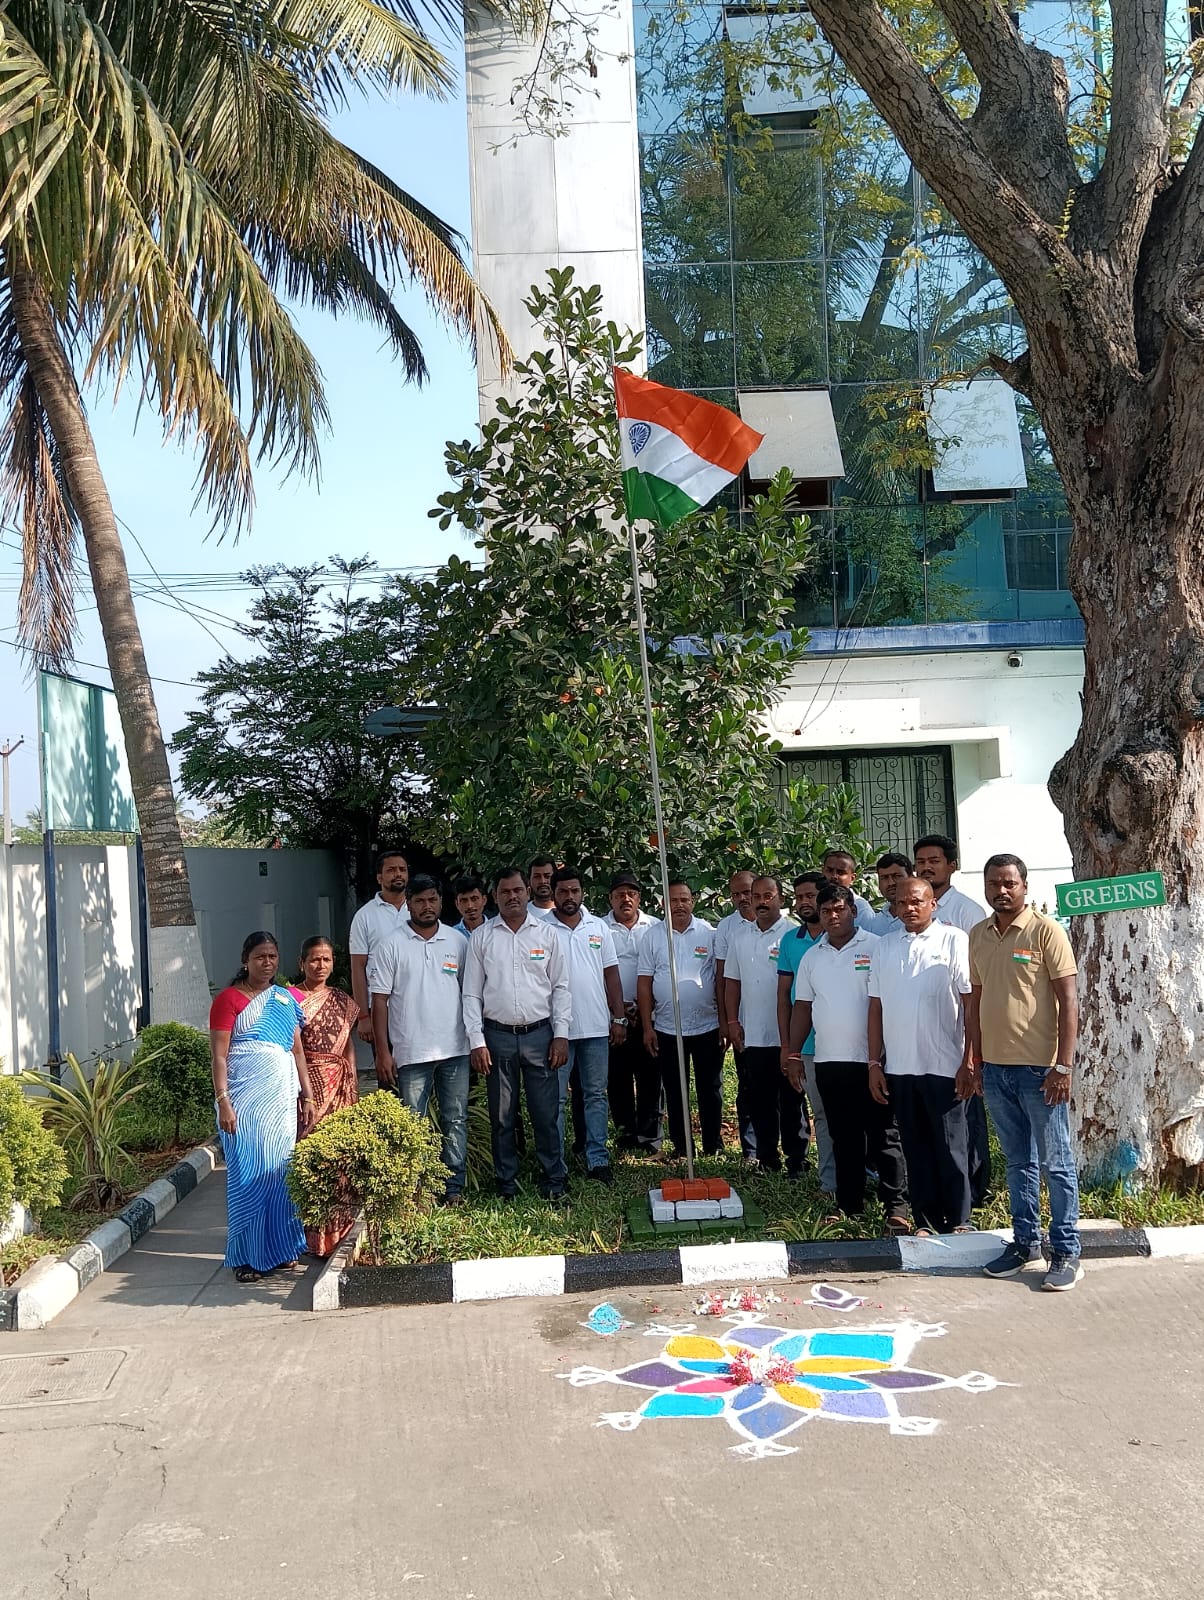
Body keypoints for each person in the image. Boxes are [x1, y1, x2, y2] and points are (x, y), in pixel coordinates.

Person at [969, 853, 1083, 1291]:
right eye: (993, 883)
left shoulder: (1045, 931)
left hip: (1041, 1071)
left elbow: (1069, 1001)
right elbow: (975, 1002)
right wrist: (976, 1060)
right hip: (997, 1070)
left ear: (1024, 886)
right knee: (1019, 1163)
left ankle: (1067, 1250)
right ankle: (1025, 1244)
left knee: (1056, 1163)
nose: (1001, 890)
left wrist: (1063, 1065)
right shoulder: (978, 935)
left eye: (1009, 883)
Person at [788, 886, 908, 1229]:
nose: (832, 916)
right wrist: (793, 1053)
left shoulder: (878, 947)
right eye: (826, 911)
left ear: (853, 911)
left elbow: (890, 1002)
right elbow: (802, 1007)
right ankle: (849, 1204)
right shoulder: (813, 956)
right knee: (843, 1137)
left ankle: (896, 1207)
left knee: (884, 1136)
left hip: (874, 1062)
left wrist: (879, 1058)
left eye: (839, 909)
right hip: (829, 1062)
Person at [867, 878, 976, 1236]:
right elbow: (875, 1007)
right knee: (915, 1147)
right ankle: (926, 1221)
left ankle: (960, 1219)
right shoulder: (884, 947)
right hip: (900, 1067)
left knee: (951, 1147)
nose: (909, 908)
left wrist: (970, 1060)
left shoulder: (953, 940)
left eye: (916, 901)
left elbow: (970, 1003)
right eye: (902, 903)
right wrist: (874, 1063)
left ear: (932, 904)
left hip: (945, 1065)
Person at [462, 867, 572, 1201]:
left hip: (541, 1035)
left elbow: (561, 988)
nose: (512, 897)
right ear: (494, 897)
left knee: (546, 1114)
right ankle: (506, 1182)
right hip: (497, 1038)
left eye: (517, 890)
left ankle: (554, 1178)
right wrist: (477, 1041)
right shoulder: (482, 937)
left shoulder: (547, 934)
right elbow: (471, 994)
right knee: (502, 1115)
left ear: (528, 892)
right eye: (505, 892)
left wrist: (561, 1034)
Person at [210, 931, 311, 1283]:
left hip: (280, 1100)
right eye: (260, 957)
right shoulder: (228, 999)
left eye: (272, 956)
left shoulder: (285, 998)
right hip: (243, 1101)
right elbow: (219, 1056)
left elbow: (296, 1051)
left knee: (280, 1173)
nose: (267, 963)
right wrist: (223, 1101)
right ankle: (248, 1256)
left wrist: (308, 1095)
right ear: (245, 960)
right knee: (248, 1174)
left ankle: (281, 1248)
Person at [369, 875, 471, 1206]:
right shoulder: (390, 945)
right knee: (414, 1123)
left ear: (441, 901)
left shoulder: (457, 941)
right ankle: (419, 1189)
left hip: (455, 1048)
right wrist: (383, 1052)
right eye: (419, 901)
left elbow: (469, 993)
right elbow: (379, 1001)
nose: (427, 906)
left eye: (432, 899)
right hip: (411, 1052)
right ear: (409, 904)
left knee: (455, 1119)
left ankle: (453, 1187)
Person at [914, 833, 992, 1204]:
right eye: (921, 862)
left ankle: (975, 1191)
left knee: (968, 1119)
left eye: (934, 861)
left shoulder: (966, 912)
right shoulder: (910, 910)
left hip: (960, 1035)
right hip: (923, 1039)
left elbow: (977, 980)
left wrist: (973, 1049)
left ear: (952, 866)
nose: (926, 868)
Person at [724, 876, 807, 1175]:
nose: (761, 901)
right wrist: (732, 1021)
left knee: (792, 1099)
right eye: (756, 896)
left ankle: (797, 1160)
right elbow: (732, 982)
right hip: (754, 1034)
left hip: (789, 1035)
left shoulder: (793, 935)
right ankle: (767, 1158)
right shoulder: (740, 937)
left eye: (767, 895)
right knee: (760, 1100)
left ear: (781, 899)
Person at [636, 880, 723, 1157]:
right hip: (667, 1028)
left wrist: (725, 1022)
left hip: (707, 1026)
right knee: (675, 1089)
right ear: (664, 904)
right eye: (673, 900)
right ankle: (682, 1146)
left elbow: (721, 979)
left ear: (693, 901)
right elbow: (644, 983)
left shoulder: (709, 933)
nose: (680, 905)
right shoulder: (652, 937)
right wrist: (647, 1027)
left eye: (685, 899)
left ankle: (713, 1145)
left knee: (711, 1087)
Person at [550, 867, 626, 1183]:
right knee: (556, 1099)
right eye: (563, 891)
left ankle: (598, 1159)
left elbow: (611, 974)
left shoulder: (598, 927)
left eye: (575, 891)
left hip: (596, 1027)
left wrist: (618, 1017)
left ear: (582, 893)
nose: (569, 896)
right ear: (553, 894)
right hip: (557, 1031)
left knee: (595, 1095)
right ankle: (555, 1163)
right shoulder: (541, 929)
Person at [775, 870, 835, 1193]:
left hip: (845, 1043)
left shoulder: (842, 937)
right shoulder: (790, 941)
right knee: (821, 1114)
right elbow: (785, 996)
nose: (803, 903)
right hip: (808, 1045)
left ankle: (864, 1174)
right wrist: (789, 1047)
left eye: (810, 896)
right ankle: (830, 1181)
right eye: (799, 897)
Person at [603, 871, 661, 1154]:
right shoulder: (599, 928)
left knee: (651, 1077)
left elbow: (662, 968)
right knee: (618, 1078)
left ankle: (650, 1138)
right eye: (620, 895)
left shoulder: (655, 927)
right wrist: (617, 1007)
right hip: (614, 1017)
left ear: (639, 898)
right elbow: (596, 971)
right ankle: (625, 1136)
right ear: (610, 899)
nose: (626, 899)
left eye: (631, 894)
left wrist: (647, 1004)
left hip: (650, 1016)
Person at [713, 869, 757, 1161]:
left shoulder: (786, 926)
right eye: (736, 894)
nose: (742, 898)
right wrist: (727, 1021)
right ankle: (751, 1149)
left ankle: (790, 1150)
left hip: (778, 1025)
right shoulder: (726, 927)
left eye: (747, 892)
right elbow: (722, 978)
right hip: (742, 1021)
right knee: (747, 1084)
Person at [348, 851, 411, 1048]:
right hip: (380, 1008)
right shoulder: (364, 916)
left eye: (402, 869)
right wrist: (363, 1016)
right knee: (386, 1065)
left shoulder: (418, 910)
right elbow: (358, 968)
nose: (398, 874)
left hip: (416, 1007)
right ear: (379, 878)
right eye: (391, 870)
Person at [858, 852, 912, 935]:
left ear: (912, 878)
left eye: (897, 876)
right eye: (884, 878)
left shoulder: (924, 918)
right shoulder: (873, 924)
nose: (891, 883)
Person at [821, 848, 873, 923]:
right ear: (822, 872)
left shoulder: (861, 908)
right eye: (830, 870)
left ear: (852, 878)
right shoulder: (815, 901)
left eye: (840, 872)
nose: (834, 876)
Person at [452, 873, 489, 937]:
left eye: (474, 899)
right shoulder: (451, 935)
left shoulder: (496, 931)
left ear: (484, 900)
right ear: (457, 904)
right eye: (464, 900)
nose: (470, 905)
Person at [528, 854, 557, 920]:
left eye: (547, 876)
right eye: (537, 877)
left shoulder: (572, 910)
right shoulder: (522, 914)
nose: (542, 881)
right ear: (529, 881)